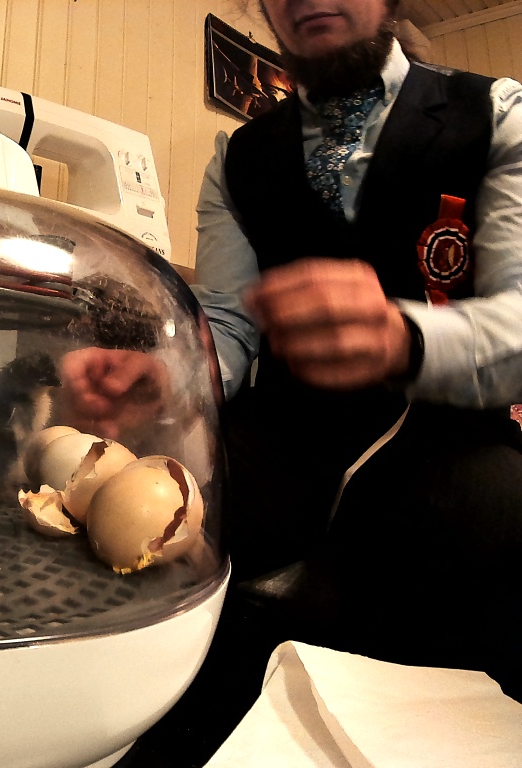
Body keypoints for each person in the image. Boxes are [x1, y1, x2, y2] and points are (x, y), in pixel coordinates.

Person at [189, 0, 522, 695]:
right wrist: (170, 377)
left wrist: (405, 338)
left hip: (448, 443)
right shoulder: (236, 160)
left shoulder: (499, 116)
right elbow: (226, 323)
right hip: (279, 439)